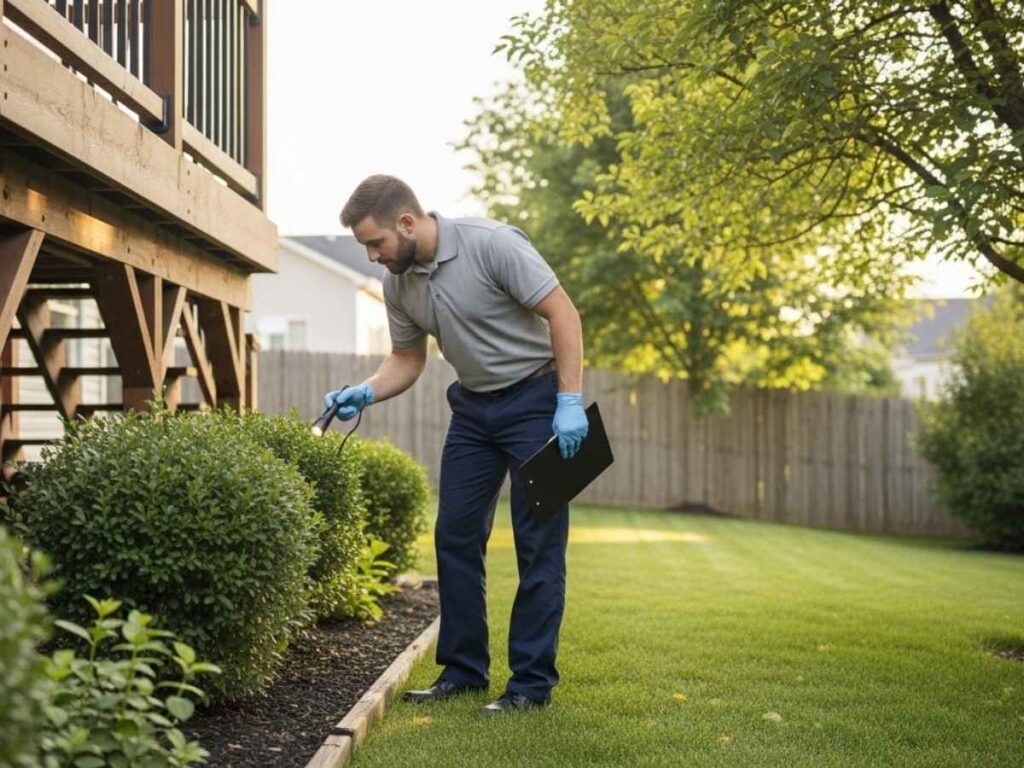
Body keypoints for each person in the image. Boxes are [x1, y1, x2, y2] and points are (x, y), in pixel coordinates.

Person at [324, 174, 588, 714]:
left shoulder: (493, 244)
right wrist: (365, 392)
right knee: (455, 534)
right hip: (473, 410)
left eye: (375, 243)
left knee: (539, 544)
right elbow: (407, 358)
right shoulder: (399, 283)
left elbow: (563, 314)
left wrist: (570, 401)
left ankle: (529, 686)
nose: (372, 256)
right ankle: (464, 671)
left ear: (406, 221)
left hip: (538, 401)